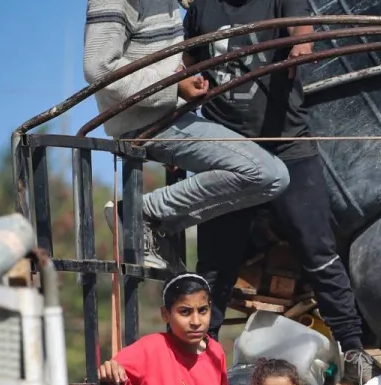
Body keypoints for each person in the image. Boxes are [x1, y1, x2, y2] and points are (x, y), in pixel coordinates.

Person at [183, 0, 377, 385]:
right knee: (215, 263)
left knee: (317, 248)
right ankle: (200, 364)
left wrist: (300, 46)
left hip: (286, 142)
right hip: (227, 150)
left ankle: (353, 348)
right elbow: (189, 62)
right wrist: (188, 84)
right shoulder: (201, 8)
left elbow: (301, 29)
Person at [83, 0, 289, 271]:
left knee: (269, 176)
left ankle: (155, 223)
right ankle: (138, 212)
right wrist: (174, 87)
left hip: (169, 117)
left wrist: (181, 87)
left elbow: (158, 59)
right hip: (150, 122)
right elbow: (98, 68)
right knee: (267, 174)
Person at [99, 274, 231, 385]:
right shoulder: (150, 348)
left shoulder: (216, 351)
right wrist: (110, 370)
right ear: (165, 314)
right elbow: (111, 370)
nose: (196, 321)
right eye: (185, 312)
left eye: (203, 310)